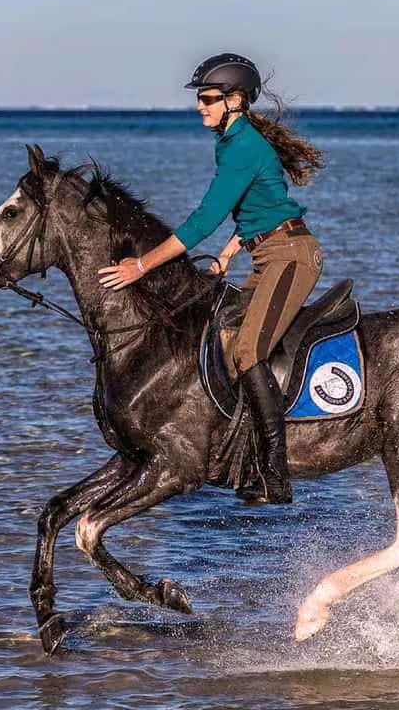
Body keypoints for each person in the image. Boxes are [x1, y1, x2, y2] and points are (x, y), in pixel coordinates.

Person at [97, 52, 325, 503]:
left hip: (291, 258)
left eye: (207, 98)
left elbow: (204, 219)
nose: (199, 106)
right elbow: (265, 205)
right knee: (222, 335)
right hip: (267, 253)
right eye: (200, 98)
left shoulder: (243, 146)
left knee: (246, 349)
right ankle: (240, 448)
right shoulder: (232, 141)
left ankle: (276, 476)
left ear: (235, 100)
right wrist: (229, 252)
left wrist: (141, 266)